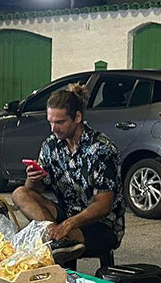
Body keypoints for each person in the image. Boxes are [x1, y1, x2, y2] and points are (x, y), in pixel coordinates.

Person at [12, 84, 125, 266]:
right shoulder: (51, 145)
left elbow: (104, 206)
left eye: (60, 122)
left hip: (102, 225)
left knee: (59, 236)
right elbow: (32, 191)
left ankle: (59, 239)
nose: (53, 129)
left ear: (77, 117)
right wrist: (33, 178)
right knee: (20, 194)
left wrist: (68, 224)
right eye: (50, 122)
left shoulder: (101, 149)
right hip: (65, 214)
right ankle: (57, 239)